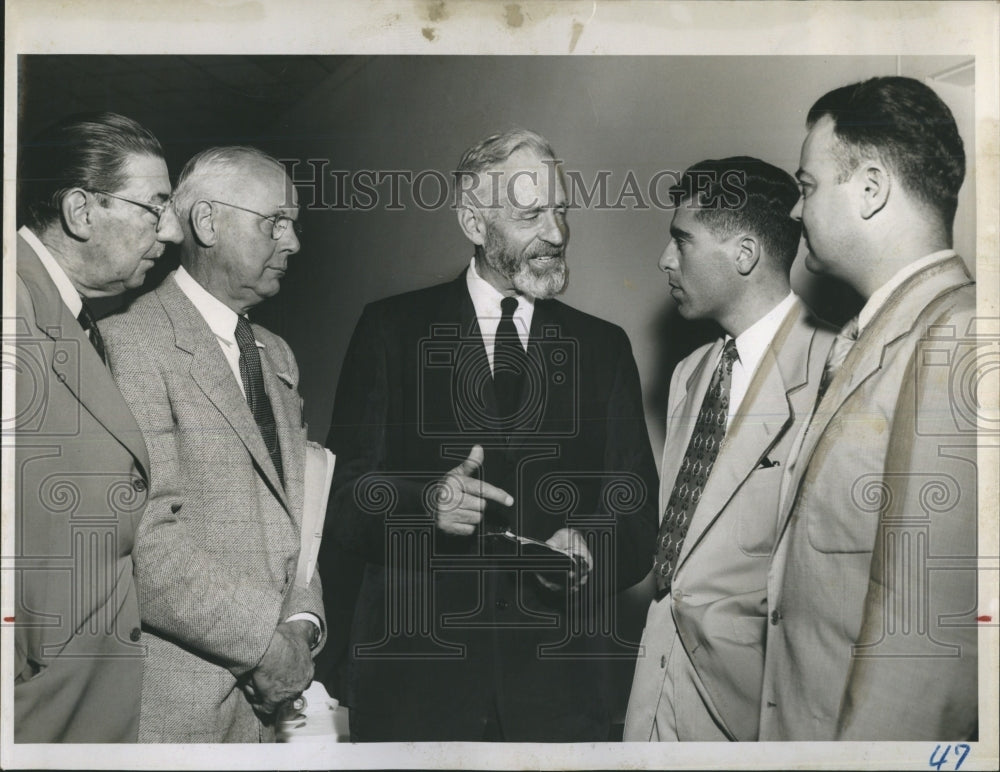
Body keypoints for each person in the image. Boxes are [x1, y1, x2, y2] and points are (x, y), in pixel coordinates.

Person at [322, 128, 659, 741]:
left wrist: (591, 547)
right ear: (474, 222)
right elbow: (343, 503)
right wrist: (425, 506)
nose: (556, 233)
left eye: (561, 210)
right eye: (531, 215)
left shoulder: (603, 348)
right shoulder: (389, 331)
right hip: (415, 695)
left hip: (556, 701)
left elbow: (635, 519)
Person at [760, 76, 978, 740]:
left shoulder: (958, 338)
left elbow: (923, 653)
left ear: (871, 188)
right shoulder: (879, 331)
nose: (796, 210)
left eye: (807, 187)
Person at [100, 146, 325, 742]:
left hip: (272, 710)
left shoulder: (277, 356)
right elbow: (142, 542)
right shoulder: (129, 343)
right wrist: (265, 646)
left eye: (293, 224)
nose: (293, 242)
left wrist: (303, 623)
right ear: (207, 223)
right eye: (275, 222)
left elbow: (298, 517)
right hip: (181, 712)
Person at [622, 157, 836, 741]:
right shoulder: (690, 372)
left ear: (744, 254)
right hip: (657, 690)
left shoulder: (835, 372)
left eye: (681, 240)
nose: (665, 260)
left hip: (758, 712)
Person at [12, 112, 183, 742]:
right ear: (81, 212)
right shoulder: (12, 307)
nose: (170, 231)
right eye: (155, 206)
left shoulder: (69, 317)